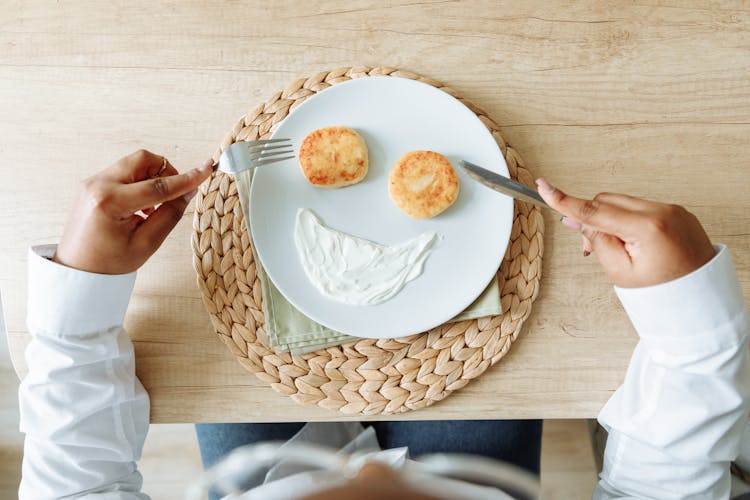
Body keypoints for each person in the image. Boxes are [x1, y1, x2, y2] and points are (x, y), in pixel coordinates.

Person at [17, 150, 749, 499]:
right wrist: (688, 318)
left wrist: (82, 294)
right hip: (471, 478)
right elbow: (669, 489)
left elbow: (75, 484)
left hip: (270, 476)